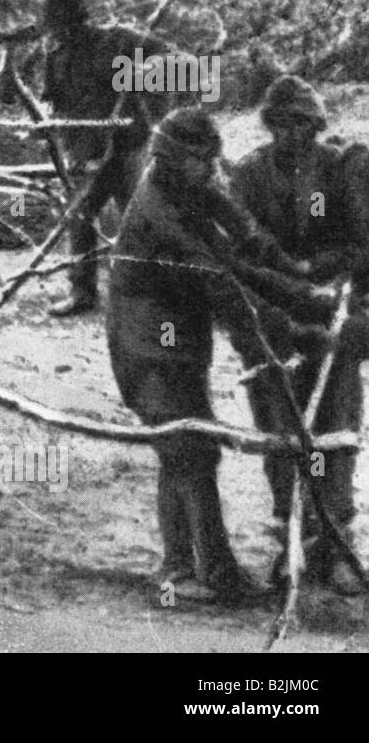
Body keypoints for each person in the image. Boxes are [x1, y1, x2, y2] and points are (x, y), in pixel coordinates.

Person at [107, 107, 331, 602]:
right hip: (147, 338)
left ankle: (183, 567)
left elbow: (244, 241)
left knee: (183, 449)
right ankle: (207, 572)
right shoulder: (158, 211)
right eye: (201, 160)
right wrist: (274, 341)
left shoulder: (192, 184)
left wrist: (300, 283)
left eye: (213, 158)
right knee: (189, 446)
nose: (212, 169)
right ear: (172, 158)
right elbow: (221, 281)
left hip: (176, 332)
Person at [229, 76, 363, 594]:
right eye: (283, 124)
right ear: (270, 125)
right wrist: (282, 287)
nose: (294, 134)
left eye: (303, 124)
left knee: (334, 421)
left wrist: (322, 271)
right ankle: (292, 532)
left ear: (317, 124)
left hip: (330, 312)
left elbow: (358, 242)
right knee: (280, 422)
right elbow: (240, 252)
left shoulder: (338, 169)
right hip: (272, 317)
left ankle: (336, 539)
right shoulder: (248, 175)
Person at [37, 0, 182, 317]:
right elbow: (54, 103)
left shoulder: (117, 40)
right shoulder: (55, 55)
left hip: (128, 145)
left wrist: (140, 75)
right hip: (88, 152)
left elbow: (174, 61)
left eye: (63, 22)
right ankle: (83, 292)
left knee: (143, 219)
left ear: (78, 18)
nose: (59, 31)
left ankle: (163, 294)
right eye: (53, 25)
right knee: (79, 216)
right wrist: (54, 132)